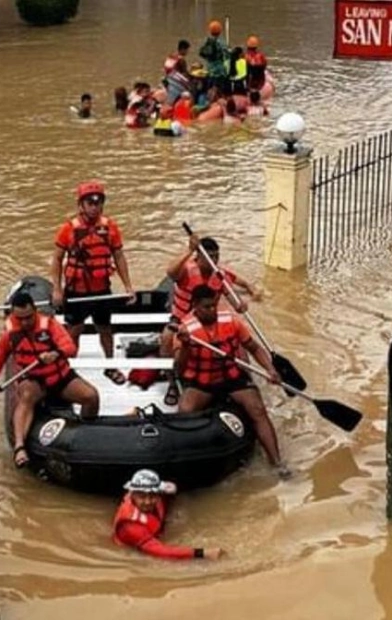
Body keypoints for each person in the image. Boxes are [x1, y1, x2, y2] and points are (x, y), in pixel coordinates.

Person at [173, 285, 289, 478]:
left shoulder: (232, 322)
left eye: (213, 306)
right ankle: (186, 463)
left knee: (258, 409)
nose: (212, 311)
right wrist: (185, 344)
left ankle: (277, 463)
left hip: (231, 377)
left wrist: (270, 369)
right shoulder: (185, 329)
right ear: (195, 306)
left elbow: (254, 348)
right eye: (206, 307)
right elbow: (180, 367)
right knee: (185, 411)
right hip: (202, 382)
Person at [0, 291, 99, 468]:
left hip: (59, 377)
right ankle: (19, 447)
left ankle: (86, 433)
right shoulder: (10, 333)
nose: (24, 323)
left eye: (28, 318)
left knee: (91, 396)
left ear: (35, 311)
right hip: (33, 380)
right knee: (26, 397)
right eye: (19, 318)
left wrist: (55, 353)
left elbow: (69, 347)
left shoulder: (49, 325)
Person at [51, 181, 136, 385]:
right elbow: (56, 259)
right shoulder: (68, 229)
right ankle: (69, 370)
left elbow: (119, 257)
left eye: (98, 202)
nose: (94, 206)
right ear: (81, 205)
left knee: (105, 329)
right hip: (77, 290)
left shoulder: (110, 227)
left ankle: (110, 366)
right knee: (74, 332)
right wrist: (57, 289)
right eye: (90, 202)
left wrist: (128, 286)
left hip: (101, 290)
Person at [160, 235, 261, 406]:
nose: (214, 260)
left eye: (216, 256)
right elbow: (170, 272)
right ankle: (172, 382)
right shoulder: (185, 271)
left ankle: (245, 378)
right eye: (209, 257)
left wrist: (240, 303)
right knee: (166, 338)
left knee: (238, 340)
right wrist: (190, 249)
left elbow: (232, 289)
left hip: (208, 319)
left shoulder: (219, 274)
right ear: (198, 257)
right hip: (182, 319)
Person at [113, 469, 223, 560]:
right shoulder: (130, 526)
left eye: (152, 496)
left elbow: (170, 489)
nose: (147, 502)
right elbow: (161, 552)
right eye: (142, 497)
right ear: (133, 495)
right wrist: (202, 553)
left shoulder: (161, 495)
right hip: (139, 548)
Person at [198, 20, 230, 93]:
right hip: (219, 71)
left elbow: (202, 53)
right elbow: (227, 55)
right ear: (220, 31)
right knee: (219, 89)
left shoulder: (207, 41)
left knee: (210, 88)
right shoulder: (221, 42)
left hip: (210, 69)